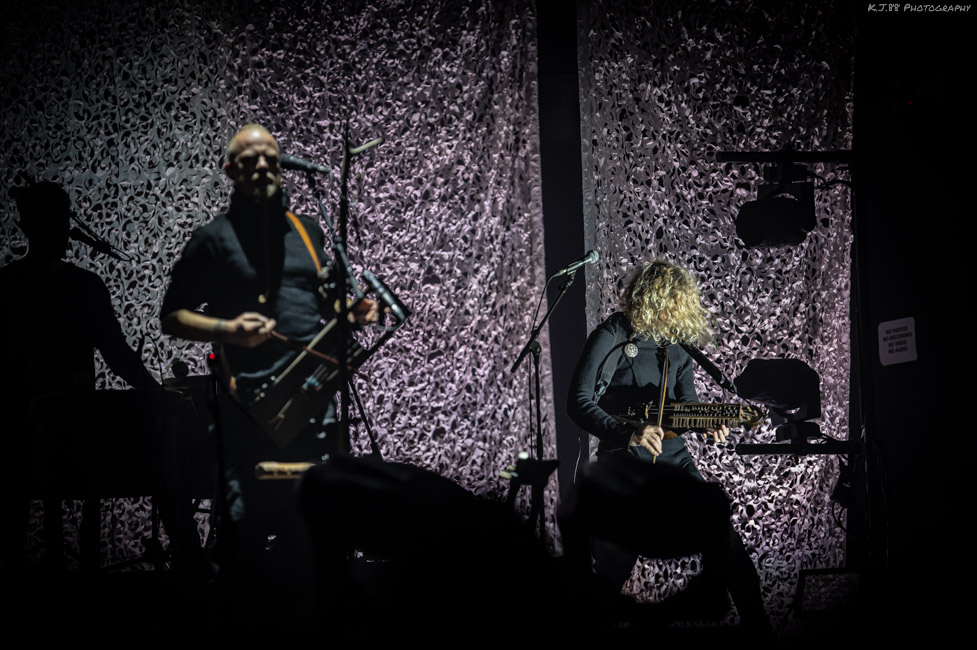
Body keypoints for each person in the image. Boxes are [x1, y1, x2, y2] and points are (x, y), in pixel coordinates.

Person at [160, 124, 377, 629]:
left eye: (271, 159)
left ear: (283, 168)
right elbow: (172, 317)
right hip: (245, 412)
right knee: (244, 534)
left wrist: (353, 310)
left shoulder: (307, 231)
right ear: (231, 171)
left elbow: (327, 302)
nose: (263, 167)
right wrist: (228, 328)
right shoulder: (213, 239)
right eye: (250, 160)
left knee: (312, 532)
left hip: (309, 405)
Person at [566, 258, 768, 632]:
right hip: (624, 463)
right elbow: (578, 402)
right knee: (614, 565)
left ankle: (761, 630)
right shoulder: (612, 335)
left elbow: (684, 406)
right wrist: (629, 433)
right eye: (671, 304)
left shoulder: (677, 350)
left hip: (674, 461)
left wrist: (705, 425)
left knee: (726, 544)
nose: (677, 313)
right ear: (651, 298)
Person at [0, 180, 160, 574]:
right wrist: (155, 393)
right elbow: (118, 354)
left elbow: (118, 354)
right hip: (53, 432)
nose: (64, 228)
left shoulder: (12, 284)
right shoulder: (81, 286)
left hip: (35, 430)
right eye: (57, 219)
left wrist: (153, 390)